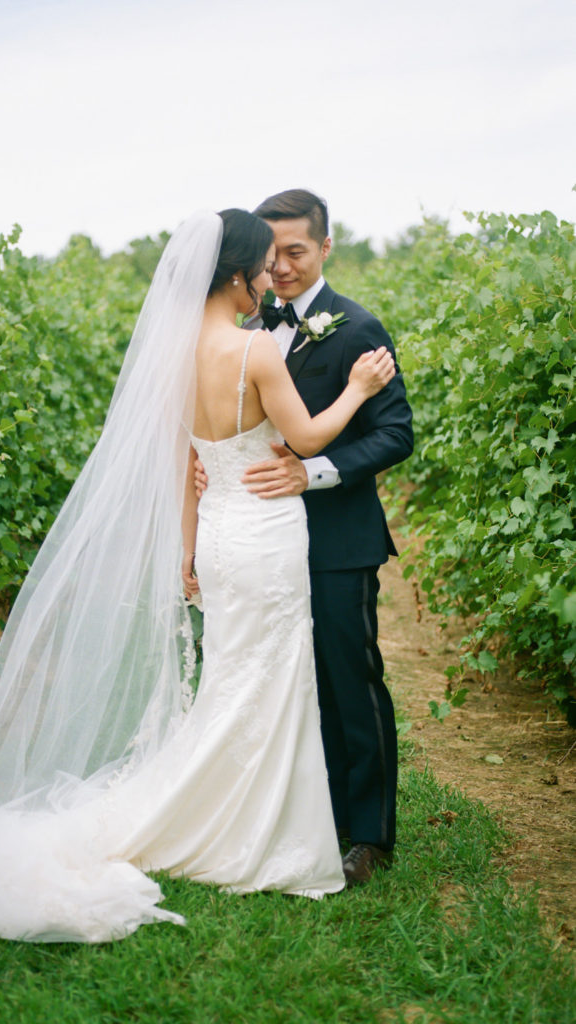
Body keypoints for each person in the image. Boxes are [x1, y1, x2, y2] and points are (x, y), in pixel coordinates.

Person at [0, 209, 395, 944]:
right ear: (236, 276)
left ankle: (236, 808)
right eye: (260, 271)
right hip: (264, 536)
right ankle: (247, 828)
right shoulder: (254, 351)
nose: (267, 283)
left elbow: (184, 470)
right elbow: (308, 438)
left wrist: (185, 552)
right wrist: (358, 387)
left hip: (218, 532)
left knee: (230, 676)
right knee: (268, 678)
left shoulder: (174, 354)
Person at [199, 190, 413, 885]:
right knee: (289, 678)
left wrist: (312, 473)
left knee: (352, 680)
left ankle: (370, 835)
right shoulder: (247, 329)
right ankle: (302, 811)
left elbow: (394, 433)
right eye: (272, 255)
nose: (283, 268)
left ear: (325, 247)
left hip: (337, 537)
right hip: (260, 538)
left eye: (296, 251)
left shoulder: (357, 329)